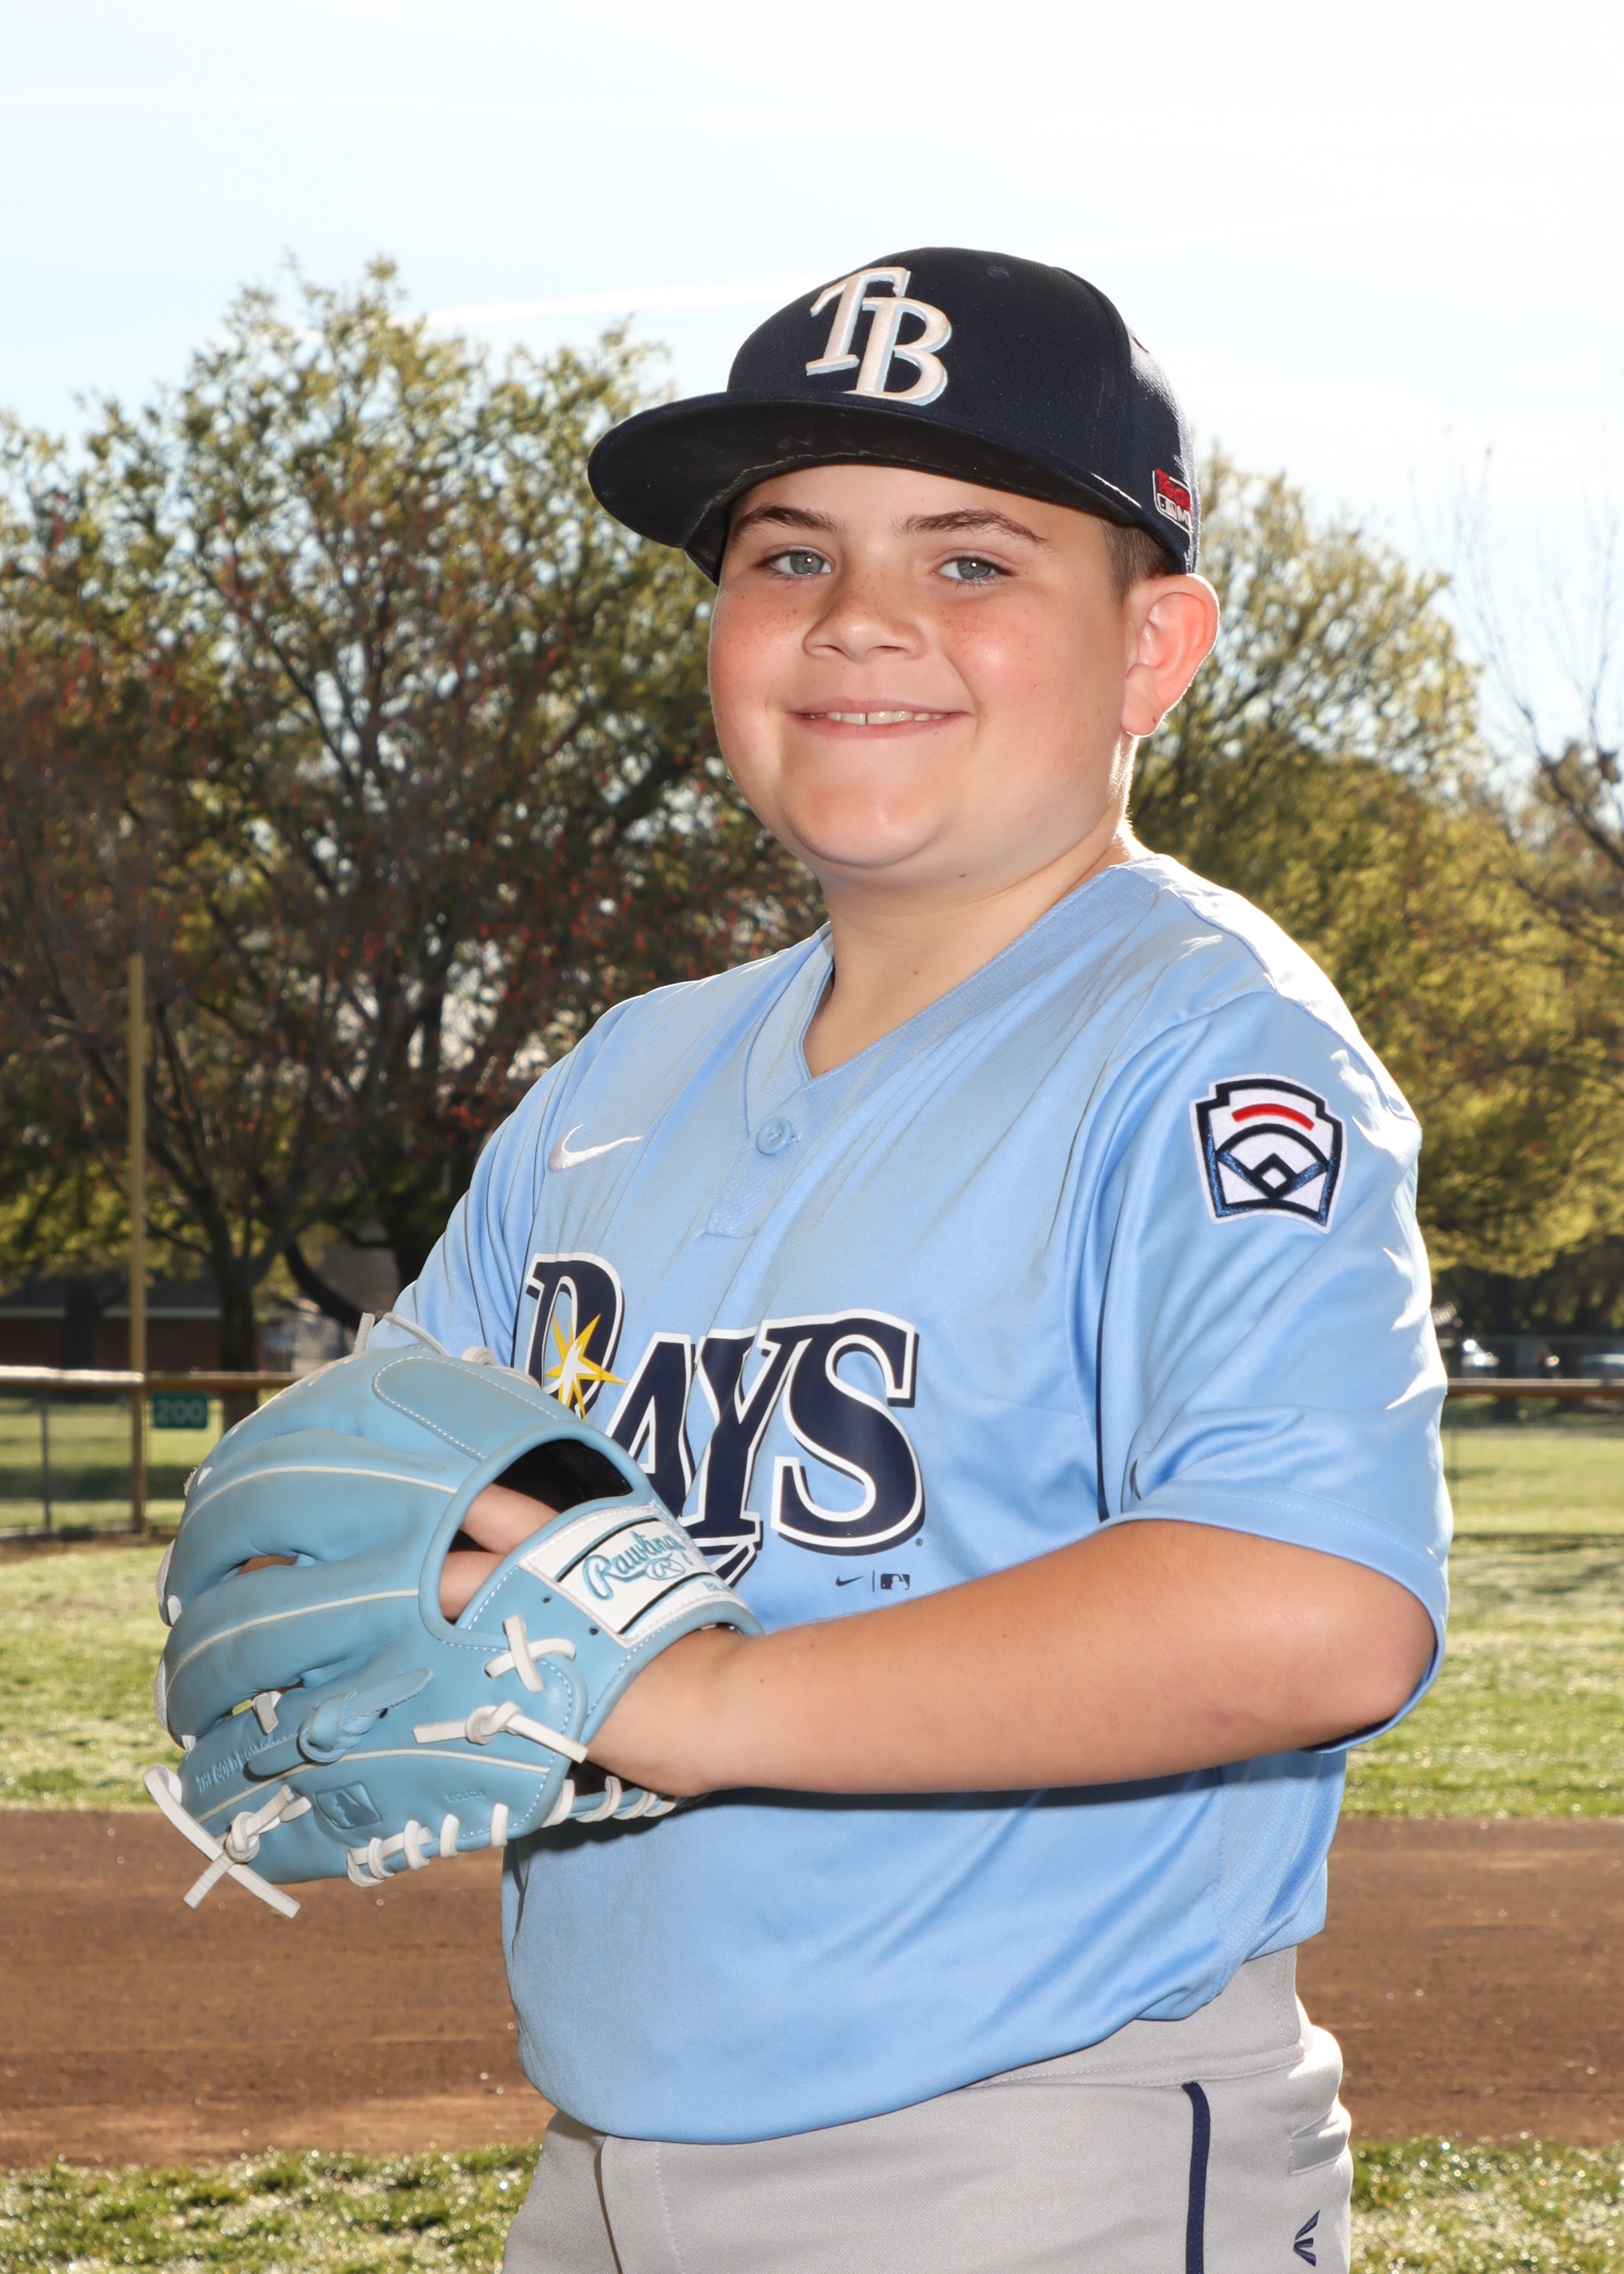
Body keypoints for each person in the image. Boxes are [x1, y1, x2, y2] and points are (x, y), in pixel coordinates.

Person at [384, 249, 1449, 2274]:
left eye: (971, 559)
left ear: (1154, 648)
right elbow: (387, 1472)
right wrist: (351, 1591)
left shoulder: (1206, 1043)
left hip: (1035, 2149)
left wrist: (695, 1695)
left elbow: (1312, 1605)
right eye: (788, 553)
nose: (859, 615)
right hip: (600, 2148)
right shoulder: (623, 1075)